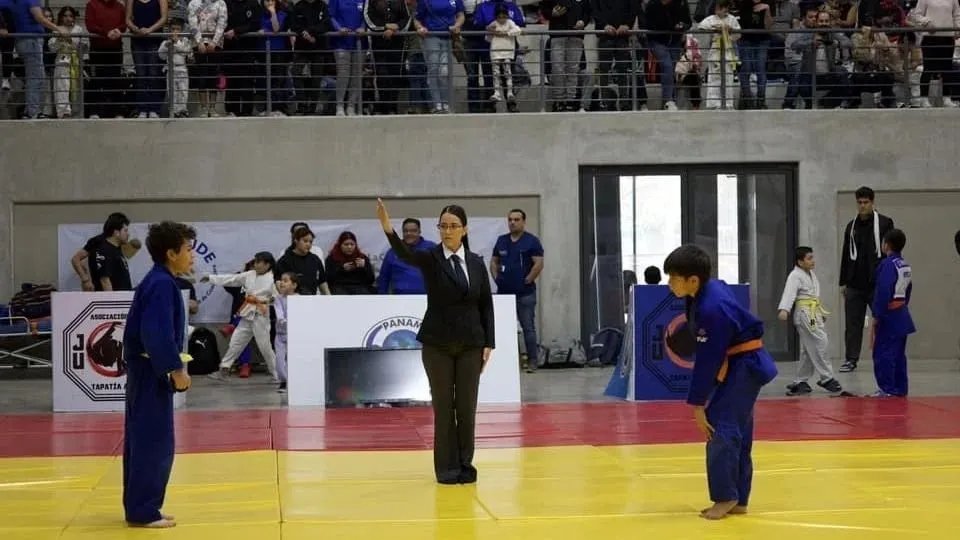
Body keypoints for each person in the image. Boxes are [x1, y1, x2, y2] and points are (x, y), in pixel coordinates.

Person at [376, 198, 495, 485]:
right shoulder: (430, 258)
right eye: (443, 226)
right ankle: (446, 469)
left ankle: (465, 464)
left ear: (464, 229)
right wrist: (387, 228)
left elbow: (485, 304)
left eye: (453, 226)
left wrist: (489, 342)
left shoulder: (477, 262)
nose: (447, 231)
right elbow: (404, 253)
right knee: (444, 408)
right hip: (437, 344)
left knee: (466, 408)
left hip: (471, 344)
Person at [662, 244, 778, 520]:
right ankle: (738, 498)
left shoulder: (712, 308)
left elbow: (707, 361)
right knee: (737, 429)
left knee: (720, 427)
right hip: (743, 363)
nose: (669, 284)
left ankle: (725, 497)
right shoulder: (709, 289)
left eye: (673, 278)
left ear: (693, 280)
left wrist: (697, 405)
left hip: (744, 366)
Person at [121, 221, 196, 528]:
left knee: (144, 439)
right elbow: (157, 334)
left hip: (145, 370)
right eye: (188, 249)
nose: (192, 255)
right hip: (151, 370)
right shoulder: (162, 284)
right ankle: (143, 509)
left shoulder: (158, 280)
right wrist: (176, 370)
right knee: (154, 440)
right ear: (171, 252)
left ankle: (142, 504)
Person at [839, 186, 894, 373]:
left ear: (872, 202)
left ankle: (885, 355)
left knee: (882, 320)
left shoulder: (885, 223)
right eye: (859, 202)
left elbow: (890, 253)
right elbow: (846, 254)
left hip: (876, 282)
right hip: (855, 282)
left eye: (866, 202)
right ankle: (850, 359)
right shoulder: (851, 226)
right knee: (852, 323)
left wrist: (888, 280)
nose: (862, 206)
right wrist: (843, 282)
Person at [202, 252, 280, 382]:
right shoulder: (249, 275)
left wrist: (266, 300)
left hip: (260, 315)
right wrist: (211, 278)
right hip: (247, 313)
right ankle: (224, 369)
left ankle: (277, 374)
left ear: (268, 264)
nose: (256, 264)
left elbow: (277, 297)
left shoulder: (273, 279)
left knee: (264, 346)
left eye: (259, 262)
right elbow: (231, 279)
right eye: (255, 261)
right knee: (236, 341)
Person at [777, 246, 842, 396]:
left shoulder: (810, 274)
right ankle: (827, 377)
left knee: (808, 348)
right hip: (805, 314)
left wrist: (819, 313)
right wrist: (785, 309)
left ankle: (801, 381)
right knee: (820, 341)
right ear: (800, 262)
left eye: (813, 257)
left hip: (812, 314)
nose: (813, 261)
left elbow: (813, 297)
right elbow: (789, 293)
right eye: (809, 258)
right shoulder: (795, 276)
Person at [490, 209, 543, 372]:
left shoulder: (531, 241)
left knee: (528, 328)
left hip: (525, 294)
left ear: (523, 222)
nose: (513, 222)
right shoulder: (501, 240)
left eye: (516, 219)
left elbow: (539, 263)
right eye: (510, 220)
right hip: (504, 295)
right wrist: (497, 279)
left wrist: (528, 279)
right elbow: (493, 261)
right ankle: (506, 361)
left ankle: (533, 361)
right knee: (503, 329)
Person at [870, 229, 914, 397]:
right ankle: (900, 388)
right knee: (898, 354)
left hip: (889, 315)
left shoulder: (887, 265)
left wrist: (877, 314)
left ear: (886, 245)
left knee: (883, 353)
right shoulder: (904, 265)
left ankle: (887, 388)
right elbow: (908, 289)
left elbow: (883, 290)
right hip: (902, 312)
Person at [377, 218, 436, 294]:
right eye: (406, 231)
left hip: (426, 297)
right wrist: (382, 298)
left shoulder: (432, 248)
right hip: (400, 298)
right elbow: (384, 278)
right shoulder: (393, 251)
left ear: (419, 232)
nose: (409, 233)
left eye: (413, 231)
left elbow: (441, 273)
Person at [273, 271, 299, 393]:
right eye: (281, 280)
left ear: (294, 285)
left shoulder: (299, 299)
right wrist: (283, 320)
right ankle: (283, 380)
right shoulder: (278, 299)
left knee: (293, 360)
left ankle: (292, 382)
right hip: (280, 335)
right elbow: (279, 315)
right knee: (279, 360)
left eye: (285, 280)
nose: (282, 283)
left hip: (295, 335)